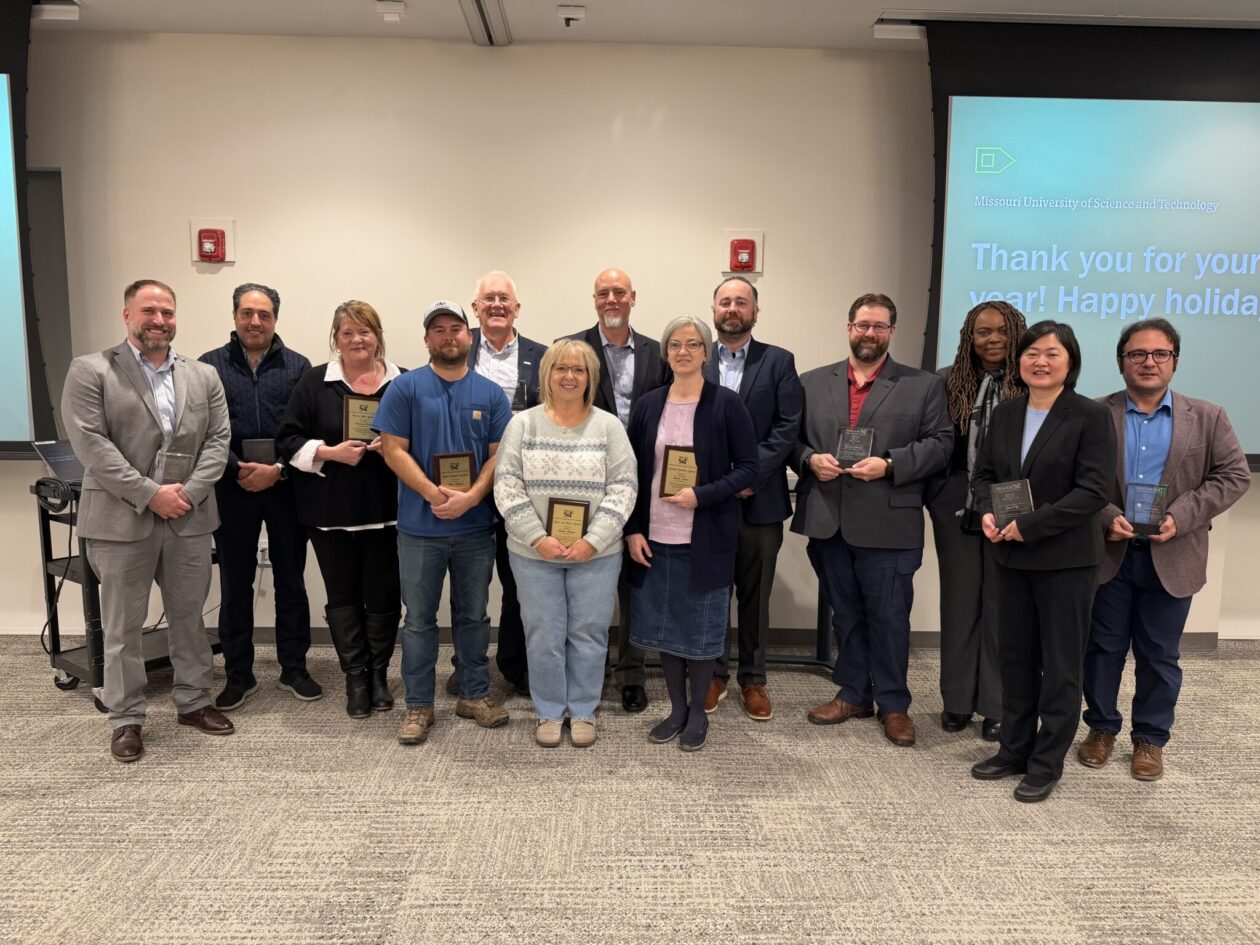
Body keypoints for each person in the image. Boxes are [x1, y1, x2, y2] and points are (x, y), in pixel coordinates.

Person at [62, 279, 233, 762]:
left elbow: (218, 441)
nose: (159, 321)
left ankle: (194, 702)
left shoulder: (203, 376)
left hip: (189, 517)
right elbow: (91, 445)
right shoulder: (91, 370)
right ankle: (126, 718)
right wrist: (149, 494)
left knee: (189, 620)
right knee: (122, 628)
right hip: (121, 520)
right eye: (149, 311)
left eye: (167, 312)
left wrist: (189, 494)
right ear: (127, 316)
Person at [1078, 318, 1249, 781]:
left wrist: (1183, 516)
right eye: (1137, 354)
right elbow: (1076, 478)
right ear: (1121, 362)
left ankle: (1150, 739)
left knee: (1159, 654)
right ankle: (1100, 728)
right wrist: (1104, 513)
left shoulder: (1208, 416)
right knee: (1102, 649)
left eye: (1160, 354)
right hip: (1110, 552)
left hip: (1173, 553)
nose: (1149, 362)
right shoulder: (1094, 414)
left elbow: (1234, 475)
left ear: (1174, 360)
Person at [791, 293, 952, 749]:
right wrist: (807, 459)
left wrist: (891, 464)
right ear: (848, 327)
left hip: (889, 521)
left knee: (889, 617)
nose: (870, 333)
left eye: (879, 326)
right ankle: (853, 694)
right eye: (863, 325)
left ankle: (895, 704)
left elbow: (941, 444)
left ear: (891, 333)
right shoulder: (812, 382)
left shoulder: (922, 385)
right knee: (847, 614)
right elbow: (790, 438)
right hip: (829, 519)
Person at [969, 320, 1115, 803]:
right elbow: (985, 475)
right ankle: (1014, 748)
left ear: (1070, 362)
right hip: (1010, 558)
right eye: (1031, 353)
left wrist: (1029, 526)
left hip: (1065, 561)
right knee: (1015, 659)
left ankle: (1046, 762)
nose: (1040, 361)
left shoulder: (1089, 416)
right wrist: (988, 512)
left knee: (1060, 666)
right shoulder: (1008, 413)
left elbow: (1093, 492)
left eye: (1052, 353)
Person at [376, 300, 513, 746]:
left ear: (469, 337)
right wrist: (434, 494)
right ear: (427, 339)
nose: (448, 336)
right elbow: (393, 449)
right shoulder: (405, 388)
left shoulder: (491, 394)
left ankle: (473, 695)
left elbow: (499, 456)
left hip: (475, 528)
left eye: (456, 328)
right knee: (418, 621)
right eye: (439, 329)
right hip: (420, 528)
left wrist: (472, 496)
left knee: (473, 617)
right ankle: (419, 705)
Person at [493, 339, 638, 747]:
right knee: (543, 633)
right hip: (534, 553)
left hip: (597, 554)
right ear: (547, 375)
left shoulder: (609, 427)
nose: (569, 376)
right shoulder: (522, 425)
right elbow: (506, 486)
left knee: (589, 633)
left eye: (579, 370)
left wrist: (593, 540)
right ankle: (550, 710)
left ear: (591, 378)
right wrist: (538, 538)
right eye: (561, 368)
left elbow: (625, 487)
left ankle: (585, 709)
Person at [625, 316, 758, 751]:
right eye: (675, 345)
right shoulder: (649, 405)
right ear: (666, 353)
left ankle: (698, 712)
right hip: (656, 538)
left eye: (693, 344)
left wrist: (702, 495)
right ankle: (676, 710)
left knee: (700, 632)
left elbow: (749, 469)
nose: (683, 351)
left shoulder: (726, 403)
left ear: (706, 351)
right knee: (665, 629)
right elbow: (633, 473)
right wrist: (634, 530)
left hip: (705, 536)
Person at [276, 300, 402, 720]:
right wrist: (329, 452)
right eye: (347, 333)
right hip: (330, 514)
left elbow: (428, 436)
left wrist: (399, 447)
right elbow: (287, 441)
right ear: (336, 339)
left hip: (390, 510)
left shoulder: (403, 382)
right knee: (343, 596)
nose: (356, 339)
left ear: (377, 335)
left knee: (384, 596)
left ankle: (380, 675)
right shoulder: (315, 383)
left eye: (364, 331)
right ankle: (356, 677)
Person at [199, 282, 318, 712]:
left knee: (291, 579)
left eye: (264, 314)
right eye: (247, 313)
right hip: (231, 489)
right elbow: (206, 431)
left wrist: (278, 470)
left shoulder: (299, 366)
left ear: (275, 320)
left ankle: (294, 667)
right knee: (235, 583)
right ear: (235, 316)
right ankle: (239, 673)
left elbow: (305, 429)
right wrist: (238, 469)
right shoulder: (208, 367)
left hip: (286, 488)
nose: (255, 321)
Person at [565, 267, 670, 713]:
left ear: (633, 298)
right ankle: (577, 674)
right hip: (582, 481)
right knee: (581, 581)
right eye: (603, 293)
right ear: (594, 299)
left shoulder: (657, 353)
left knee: (634, 580)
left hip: (644, 479)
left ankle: (630, 672)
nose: (612, 299)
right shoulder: (570, 348)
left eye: (619, 293)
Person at [701, 277, 802, 721]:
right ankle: (714, 673)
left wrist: (748, 473)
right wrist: (718, 481)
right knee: (712, 590)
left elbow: (787, 425)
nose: (732, 308)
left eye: (741, 302)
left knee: (755, 595)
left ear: (755, 311)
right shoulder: (694, 358)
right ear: (714, 310)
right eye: (725, 302)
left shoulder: (779, 361)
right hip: (709, 499)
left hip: (760, 499)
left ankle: (754, 679)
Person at [927, 301, 1026, 742]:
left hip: (1011, 502)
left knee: (1002, 606)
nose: (992, 339)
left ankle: (996, 705)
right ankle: (957, 701)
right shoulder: (946, 382)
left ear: (1017, 333)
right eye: (982, 332)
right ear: (969, 336)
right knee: (960, 600)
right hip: (956, 503)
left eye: (1001, 331)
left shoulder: (1031, 382)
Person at [445, 271, 547, 698]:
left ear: (517, 308)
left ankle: (516, 665)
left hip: (524, 487)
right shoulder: (454, 348)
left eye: (504, 298)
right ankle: (466, 663)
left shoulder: (543, 356)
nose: (497, 305)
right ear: (476, 308)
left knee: (520, 581)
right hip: (468, 483)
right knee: (469, 584)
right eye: (488, 299)